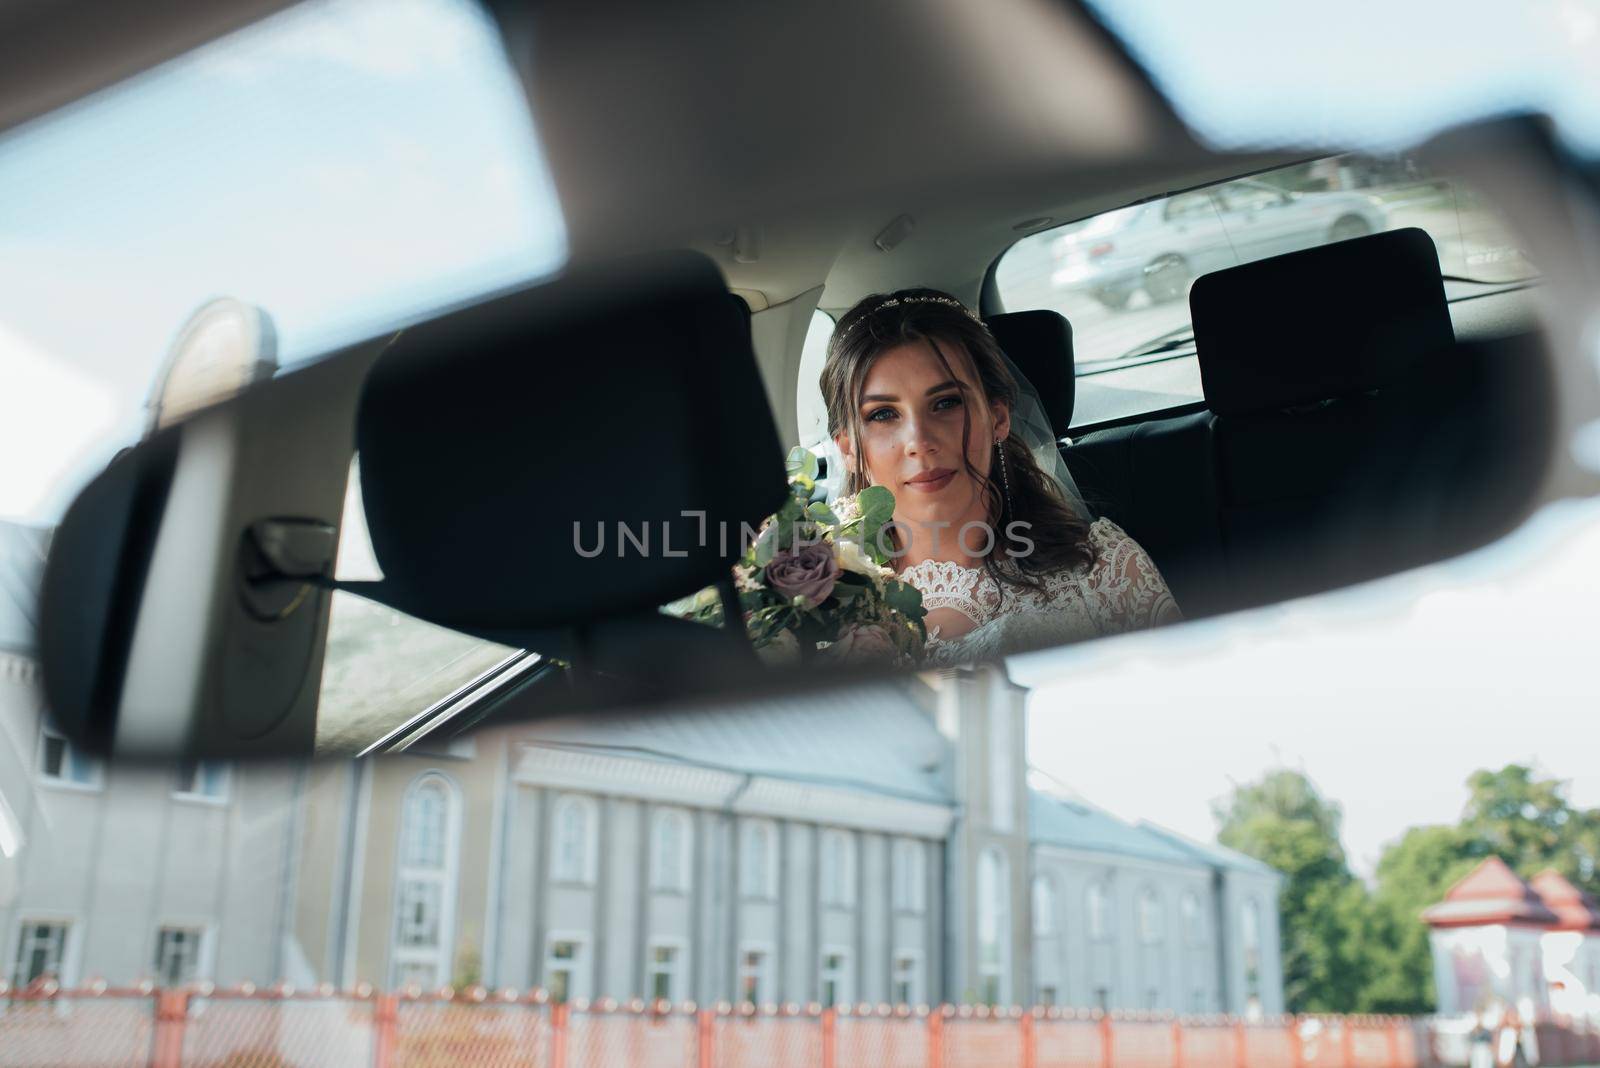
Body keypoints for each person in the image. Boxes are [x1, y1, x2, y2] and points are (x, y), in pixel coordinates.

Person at [820, 288, 1180, 667]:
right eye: (882, 414)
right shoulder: (817, 605)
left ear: (998, 418)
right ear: (848, 449)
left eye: (946, 403)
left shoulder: (1105, 570)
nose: (919, 442)